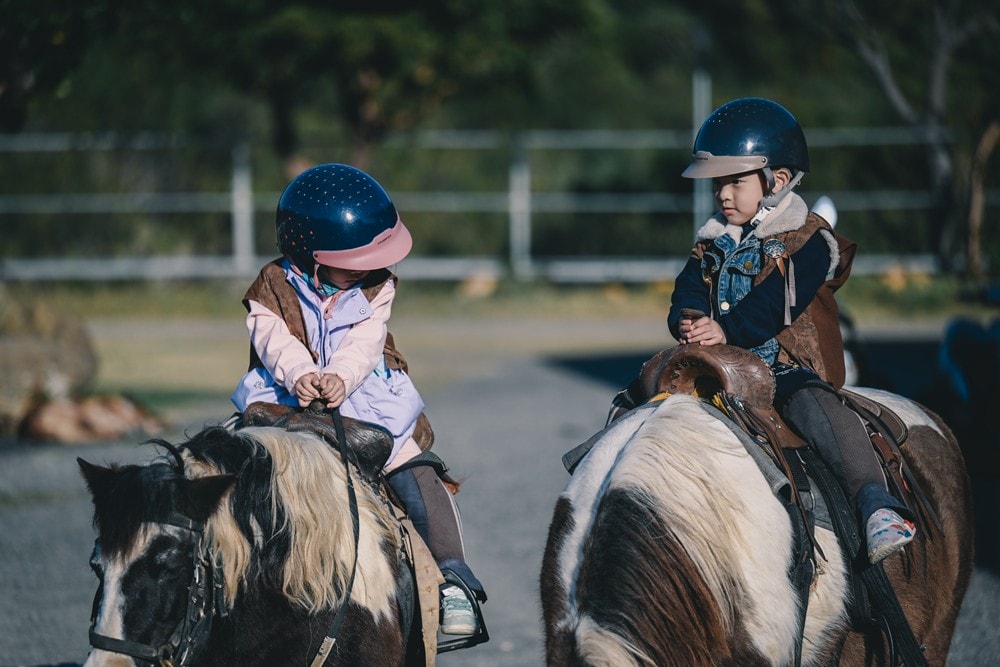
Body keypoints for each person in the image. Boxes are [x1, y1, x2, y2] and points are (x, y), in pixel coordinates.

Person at [231, 162, 485, 634]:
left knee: (411, 464)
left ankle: (453, 578)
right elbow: (271, 340)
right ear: (308, 255)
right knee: (230, 457)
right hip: (285, 388)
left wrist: (341, 378)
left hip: (362, 388)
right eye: (353, 263)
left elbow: (367, 340)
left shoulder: (376, 283)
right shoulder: (270, 285)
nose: (366, 270)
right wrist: (301, 374)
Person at [667, 98, 915, 565]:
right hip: (719, 361)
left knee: (819, 410)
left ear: (777, 181)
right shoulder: (713, 240)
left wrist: (725, 328)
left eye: (735, 182)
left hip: (783, 366)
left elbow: (778, 301)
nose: (723, 195)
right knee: (650, 390)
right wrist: (688, 316)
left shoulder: (810, 240)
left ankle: (875, 502)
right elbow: (688, 287)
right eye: (718, 184)